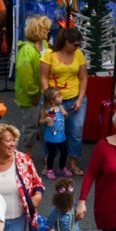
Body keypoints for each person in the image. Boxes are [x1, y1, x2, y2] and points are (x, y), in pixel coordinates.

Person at [40, 26, 89, 176]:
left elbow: (83, 77)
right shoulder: (50, 54)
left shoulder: (79, 54)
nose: (77, 47)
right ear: (66, 42)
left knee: (76, 131)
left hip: (74, 97)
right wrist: (49, 99)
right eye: (75, 44)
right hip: (53, 99)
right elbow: (43, 77)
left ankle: (72, 162)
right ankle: (49, 163)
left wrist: (80, 99)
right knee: (51, 129)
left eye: (79, 44)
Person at [15, 14, 52, 153]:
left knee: (45, 125)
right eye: (46, 29)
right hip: (31, 96)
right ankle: (27, 154)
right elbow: (25, 76)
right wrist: (34, 93)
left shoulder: (45, 46)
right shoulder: (27, 50)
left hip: (44, 93)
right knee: (31, 126)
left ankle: (45, 154)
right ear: (39, 30)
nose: (49, 31)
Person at [41, 87, 70, 179]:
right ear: (51, 99)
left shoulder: (61, 107)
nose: (61, 97)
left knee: (64, 153)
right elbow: (40, 122)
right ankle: (49, 170)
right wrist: (46, 119)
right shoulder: (46, 110)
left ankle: (62, 168)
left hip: (61, 137)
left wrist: (65, 114)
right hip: (51, 138)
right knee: (52, 154)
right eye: (59, 96)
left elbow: (63, 119)